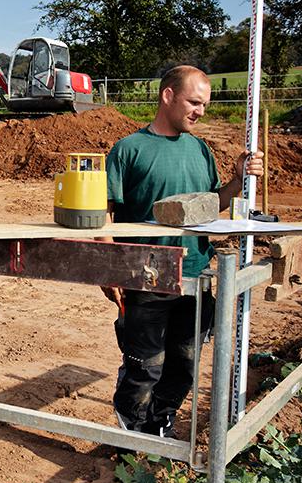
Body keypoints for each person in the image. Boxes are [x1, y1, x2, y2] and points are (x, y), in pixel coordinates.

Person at [102, 65, 264, 438]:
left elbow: (212, 204)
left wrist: (238, 181)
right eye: (194, 102)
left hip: (196, 273)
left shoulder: (200, 150)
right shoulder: (129, 150)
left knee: (185, 364)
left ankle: (159, 422)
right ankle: (131, 434)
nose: (200, 112)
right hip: (146, 275)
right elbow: (105, 214)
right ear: (167, 96)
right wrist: (108, 269)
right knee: (146, 366)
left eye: (204, 105)